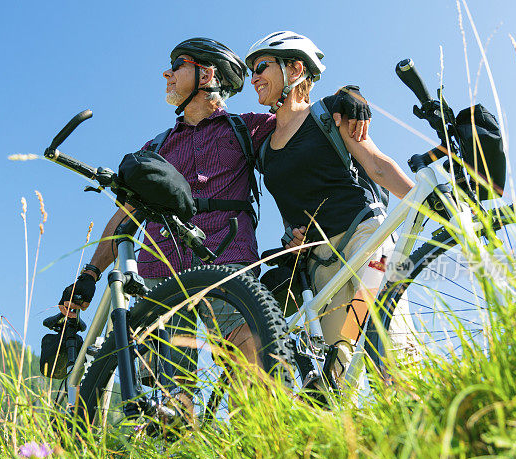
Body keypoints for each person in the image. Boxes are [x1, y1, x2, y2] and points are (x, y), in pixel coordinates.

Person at [58, 38, 372, 418]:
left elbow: (302, 126)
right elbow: (126, 215)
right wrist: (91, 272)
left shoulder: (247, 129)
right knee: (171, 392)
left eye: (178, 65)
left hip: (226, 262)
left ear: (207, 74)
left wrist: (345, 96)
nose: (167, 74)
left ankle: (261, 449)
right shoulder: (157, 146)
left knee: (252, 357)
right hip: (160, 272)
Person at [244, 31, 415, 385]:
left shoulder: (329, 115)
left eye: (261, 66)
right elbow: (293, 206)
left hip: (365, 236)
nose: (254, 77)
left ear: (294, 69)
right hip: (321, 262)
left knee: (389, 340)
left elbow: (377, 166)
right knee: (340, 366)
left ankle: (422, 421)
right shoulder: (264, 152)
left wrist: (424, 201)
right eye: (251, 71)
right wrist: (292, 236)